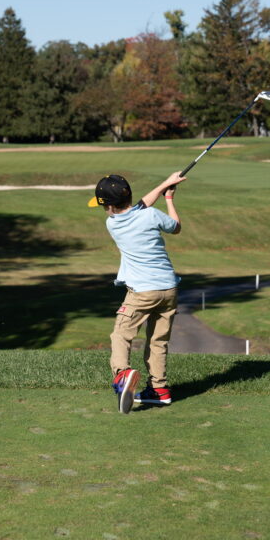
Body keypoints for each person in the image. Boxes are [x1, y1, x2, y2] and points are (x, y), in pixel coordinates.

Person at [89, 171, 187, 414]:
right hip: (169, 289)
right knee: (158, 341)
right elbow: (175, 227)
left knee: (121, 334)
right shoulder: (151, 215)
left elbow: (140, 206)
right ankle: (159, 390)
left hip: (142, 292)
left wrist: (165, 184)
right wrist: (169, 197)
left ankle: (122, 375)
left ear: (110, 207)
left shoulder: (112, 224)